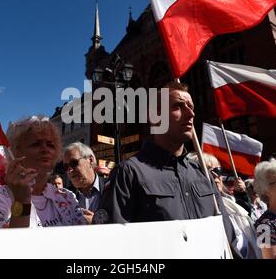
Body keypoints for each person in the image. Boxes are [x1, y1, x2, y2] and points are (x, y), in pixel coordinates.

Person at [96, 82, 240, 256]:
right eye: (178, 106)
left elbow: (227, 238)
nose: (190, 113)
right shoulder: (128, 172)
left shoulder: (202, 172)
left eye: (191, 107)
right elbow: (110, 244)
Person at [0, 116, 85, 229]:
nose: (45, 149)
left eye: (51, 145)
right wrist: (21, 201)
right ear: (16, 151)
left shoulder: (67, 197)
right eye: (35, 144)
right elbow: (2, 246)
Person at [189, 152, 262, 259]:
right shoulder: (194, 211)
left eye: (218, 170)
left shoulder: (231, 204)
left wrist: (241, 195)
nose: (215, 175)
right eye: (206, 170)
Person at [63, 142, 107, 224]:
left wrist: (97, 222)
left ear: (90, 160)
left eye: (74, 163)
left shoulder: (112, 187)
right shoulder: (64, 197)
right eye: (66, 166)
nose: (69, 170)